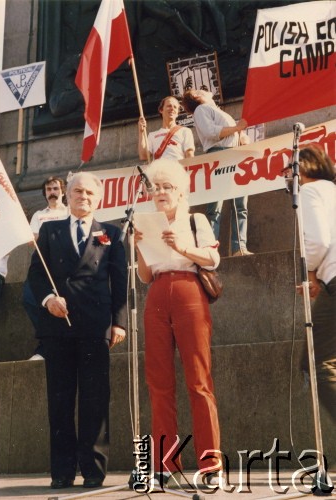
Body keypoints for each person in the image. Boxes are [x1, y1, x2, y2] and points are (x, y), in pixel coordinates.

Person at [27, 171, 127, 489]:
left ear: (99, 198)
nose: (83, 196)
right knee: (60, 400)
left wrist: (120, 321)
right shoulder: (49, 229)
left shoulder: (111, 233)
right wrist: (47, 300)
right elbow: (36, 275)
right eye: (77, 191)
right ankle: (62, 471)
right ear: (66, 196)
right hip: (58, 326)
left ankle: (94, 471)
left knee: (95, 399)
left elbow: (120, 281)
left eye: (89, 192)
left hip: (95, 327)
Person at [134, 159, 222, 487]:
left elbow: (213, 258)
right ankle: (165, 463)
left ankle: (210, 463)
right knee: (159, 382)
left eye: (167, 187)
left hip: (189, 291)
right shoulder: (146, 223)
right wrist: (139, 246)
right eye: (155, 188)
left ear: (180, 191)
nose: (160, 192)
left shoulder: (195, 219)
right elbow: (145, 276)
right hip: (157, 294)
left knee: (198, 380)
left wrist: (182, 246)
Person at [181, 89, 252, 256]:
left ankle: (239, 247)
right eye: (200, 90)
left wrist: (242, 136)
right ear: (197, 97)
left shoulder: (217, 111)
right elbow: (210, 132)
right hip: (219, 154)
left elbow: (233, 133)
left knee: (240, 204)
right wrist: (237, 128)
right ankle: (210, 249)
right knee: (216, 206)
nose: (205, 90)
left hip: (234, 153)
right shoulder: (201, 110)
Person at [296, 145, 336, 423]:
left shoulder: (310, 191)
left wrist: (309, 271)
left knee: (316, 361)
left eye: (292, 169)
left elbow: (319, 241)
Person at [24, 176, 69, 360]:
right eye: (49, 189)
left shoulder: (69, 212)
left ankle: (49, 346)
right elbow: (31, 240)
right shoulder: (38, 215)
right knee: (29, 298)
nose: (52, 192)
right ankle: (47, 343)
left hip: (63, 264)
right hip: (42, 263)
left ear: (63, 191)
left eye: (56, 189)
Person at [138, 96, 195, 161]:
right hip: (159, 170)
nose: (172, 109)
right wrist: (141, 132)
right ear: (161, 110)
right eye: (169, 106)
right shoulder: (152, 135)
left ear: (177, 113)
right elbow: (144, 156)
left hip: (178, 169)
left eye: (175, 107)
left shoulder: (185, 131)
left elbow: (190, 155)